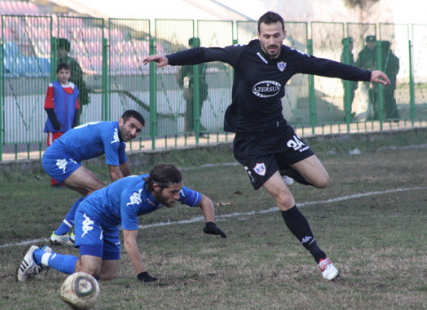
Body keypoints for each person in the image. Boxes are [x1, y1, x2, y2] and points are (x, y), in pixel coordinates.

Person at [143, 11, 391, 281]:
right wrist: (170, 59)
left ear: (284, 34)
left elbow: (325, 66)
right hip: (251, 142)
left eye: (276, 35)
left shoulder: (291, 58)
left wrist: (367, 74)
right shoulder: (243, 54)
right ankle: (320, 258)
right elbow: (206, 53)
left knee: (322, 180)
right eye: (266, 36)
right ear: (258, 35)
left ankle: (281, 168)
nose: (272, 41)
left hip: (279, 132)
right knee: (284, 198)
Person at [17, 163, 227, 282]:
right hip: (92, 214)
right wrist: (142, 274)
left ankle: (45, 256)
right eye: (173, 192)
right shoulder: (133, 197)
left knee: (107, 274)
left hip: (109, 221)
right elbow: (129, 241)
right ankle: (39, 255)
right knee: (89, 270)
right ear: (156, 187)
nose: (178, 196)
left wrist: (210, 223)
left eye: (179, 190)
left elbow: (205, 201)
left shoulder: (172, 189)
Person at [44, 110, 145, 246]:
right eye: (131, 126)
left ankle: (60, 234)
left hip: (65, 158)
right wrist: (127, 198)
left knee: (91, 193)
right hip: (57, 157)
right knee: (99, 191)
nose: (133, 133)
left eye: (138, 130)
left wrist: (136, 189)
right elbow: (115, 173)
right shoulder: (111, 135)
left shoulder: (119, 141)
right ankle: (78, 233)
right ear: (121, 121)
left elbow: (124, 168)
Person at [44, 63, 80, 186]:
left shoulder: (74, 88)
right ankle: (55, 181)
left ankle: (65, 179)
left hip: (68, 128)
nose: (64, 75)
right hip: (55, 128)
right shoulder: (52, 86)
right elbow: (48, 106)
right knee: (54, 154)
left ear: (70, 74)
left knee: (67, 154)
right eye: (61, 72)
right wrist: (55, 123)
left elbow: (76, 108)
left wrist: (75, 124)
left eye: (66, 72)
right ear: (57, 74)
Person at [177, 37, 208, 135]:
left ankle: (196, 128)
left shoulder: (202, 58)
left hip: (200, 86)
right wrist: (184, 85)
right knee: (190, 109)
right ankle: (190, 129)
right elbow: (180, 74)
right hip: (190, 86)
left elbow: (203, 73)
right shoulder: (186, 57)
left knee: (198, 110)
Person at [56, 38, 89, 120]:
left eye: (60, 49)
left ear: (66, 50)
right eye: (57, 49)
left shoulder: (72, 63)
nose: (58, 51)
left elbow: (78, 78)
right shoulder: (56, 63)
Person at [356, 35, 378, 120]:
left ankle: (375, 115)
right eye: (370, 42)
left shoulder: (377, 52)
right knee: (364, 99)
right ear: (367, 43)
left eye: (373, 42)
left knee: (375, 99)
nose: (371, 44)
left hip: (376, 78)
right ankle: (364, 117)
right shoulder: (362, 54)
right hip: (365, 78)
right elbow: (358, 66)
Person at [380, 40, 399, 121]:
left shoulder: (380, 57)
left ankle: (387, 115)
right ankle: (394, 114)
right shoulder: (394, 58)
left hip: (383, 79)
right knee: (391, 97)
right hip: (392, 79)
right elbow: (397, 70)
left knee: (385, 97)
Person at [340, 37, 358, 121]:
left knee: (350, 96)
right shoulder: (346, 54)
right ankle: (347, 114)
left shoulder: (348, 53)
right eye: (351, 44)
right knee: (348, 96)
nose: (352, 46)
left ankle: (348, 113)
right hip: (348, 79)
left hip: (349, 78)